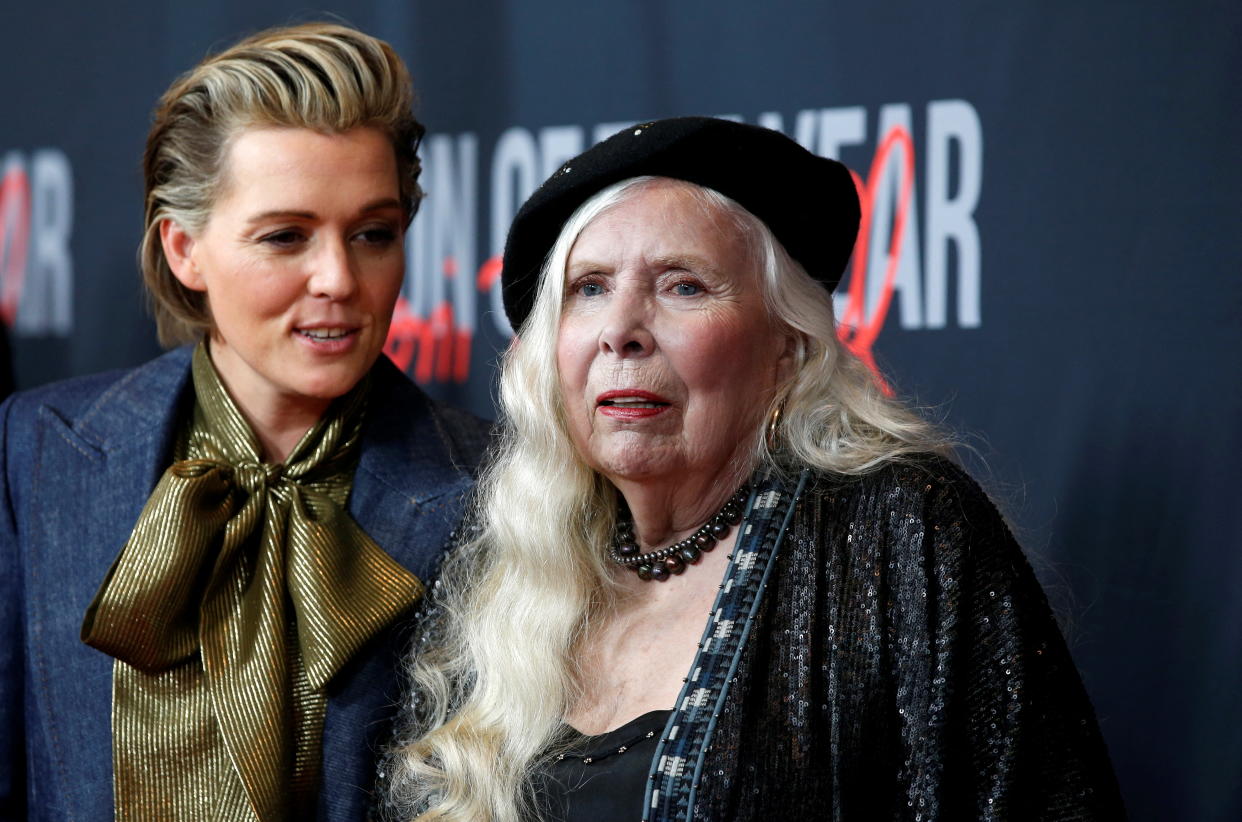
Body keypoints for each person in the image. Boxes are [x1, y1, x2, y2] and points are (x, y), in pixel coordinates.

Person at [379, 117, 1124, 821]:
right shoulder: (508, 560)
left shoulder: (902, 530)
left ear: (786, 348)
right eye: (590, 289)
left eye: (683, 285)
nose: (622, 331)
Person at [0, 23, 490, 821]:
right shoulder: (40, 449)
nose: (338, 278)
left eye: (373, 234)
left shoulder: (494, 488)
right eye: (285, 237)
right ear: (185, 249)